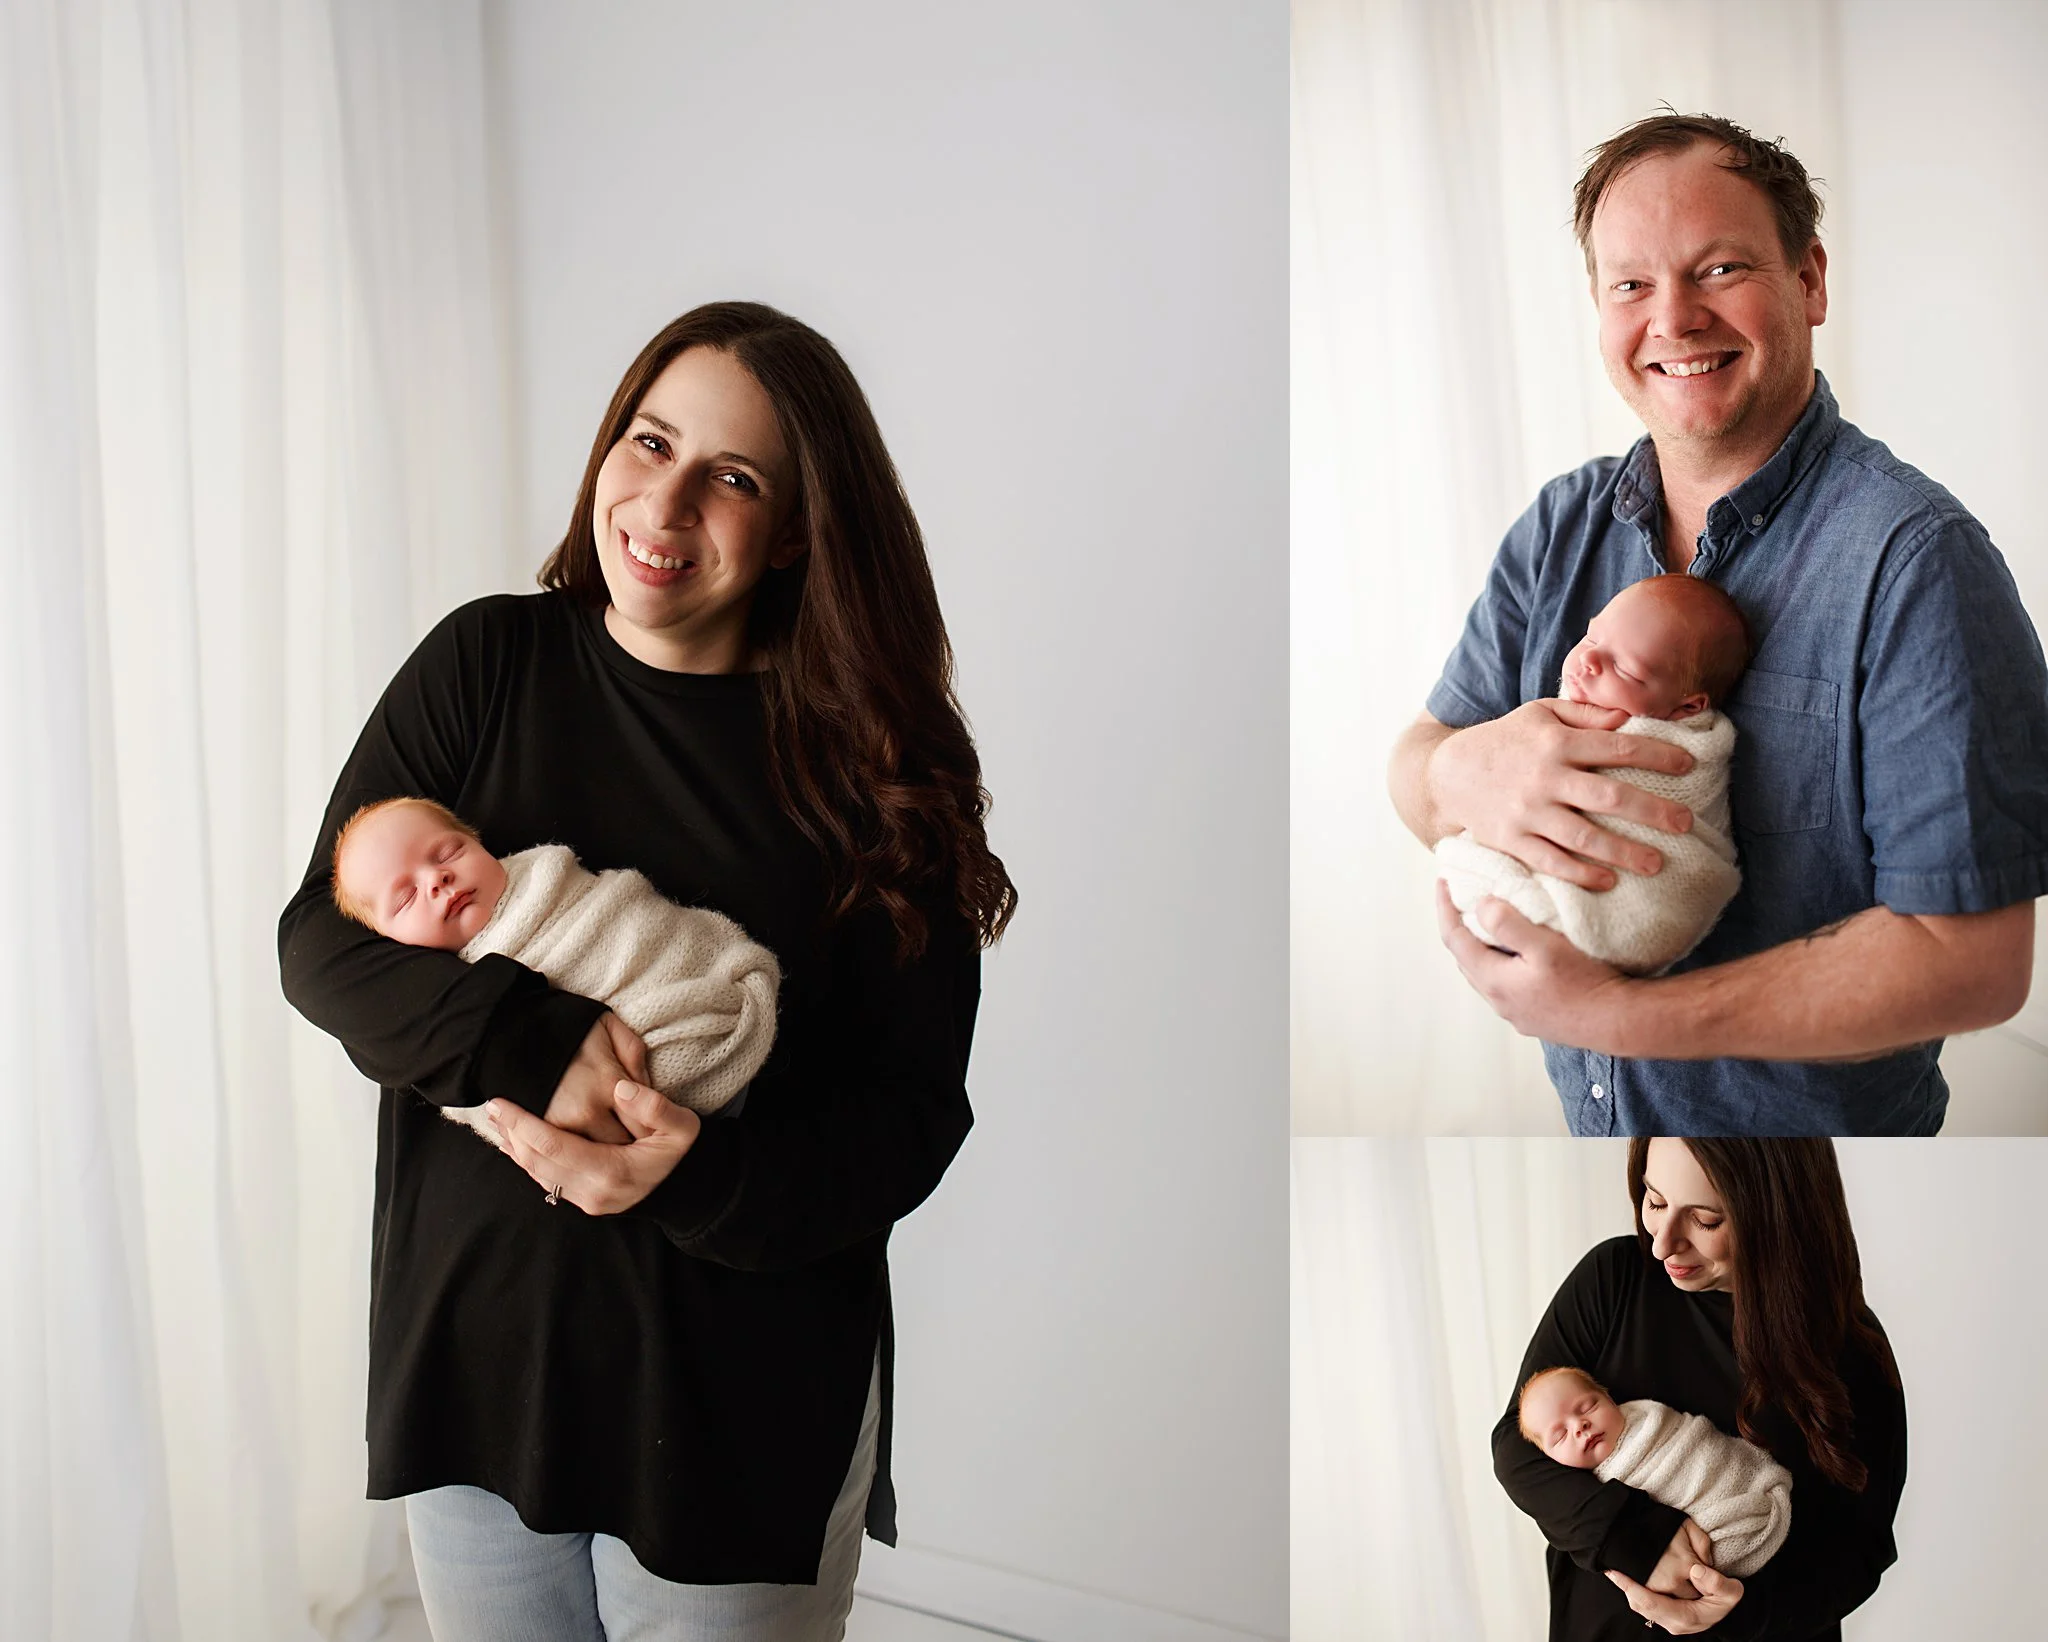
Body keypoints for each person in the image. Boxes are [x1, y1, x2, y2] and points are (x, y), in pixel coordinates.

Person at [278, 301, 1016, 1640]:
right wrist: (539, 1048)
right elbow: (321, 939)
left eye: (732, 476)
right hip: (475, 1380)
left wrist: (694, 1173)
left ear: (795, 529)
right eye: (649, 439)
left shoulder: (873, 767)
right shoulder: (484, 665)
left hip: (737, 1415)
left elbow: (911, 1115)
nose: (664, 499)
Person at [1387, 111, 2047, 1135]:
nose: (1673, 318)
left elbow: (1972, 964)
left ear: (1808, 280)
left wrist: (1618, 1015)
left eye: (1719, 267)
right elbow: (1416, 757)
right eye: (1629, 285)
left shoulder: (1915, 563)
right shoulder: (1559, 526)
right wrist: (1458, 773)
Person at [1492, 1138, 1906, 1639]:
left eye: (1706, 1220)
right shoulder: (1615, 1278)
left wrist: (1731, 1614)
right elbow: (1518, 1447)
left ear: (1777, 1214)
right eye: (1655, 1201)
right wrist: (1637, 1542)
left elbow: (1861, 1550)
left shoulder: (1848, 1348)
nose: (1663, 1243)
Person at [330, 795, 782, 1148]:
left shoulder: (549, 879)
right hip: (659, 1085)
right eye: (406, 897)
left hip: (724, 1007)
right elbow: (484, 1096)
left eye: (449, 852)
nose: (436, 880)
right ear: (391, 945)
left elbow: (639, 921)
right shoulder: (448, 994)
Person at [1436, 575, 1748, 974]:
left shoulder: (1686, 749)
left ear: (1687, 708)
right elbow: (1428, 754)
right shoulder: (1552, 536)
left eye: (1625, 668)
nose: (1588, 661)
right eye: (1591, 637)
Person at [1517, 1366, 1792, 1577]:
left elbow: (1702, 1444)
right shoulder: (1591, 1492)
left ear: (1608, 1398)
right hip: (1720, 1529)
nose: (1580, 1426)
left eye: (1588, 1407)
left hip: (1734, 1476)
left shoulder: (1650, 1419)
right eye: (1560, 1435)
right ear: (1550, 1459)